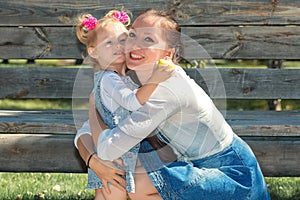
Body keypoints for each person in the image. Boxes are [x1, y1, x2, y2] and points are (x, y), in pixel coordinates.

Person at [75, 9, 271, 200]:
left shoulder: (165, 90)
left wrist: (93, 108)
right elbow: (91, 129)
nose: (134, 45)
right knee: (136, 179)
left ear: (167, 54)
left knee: (138, 182)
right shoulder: (132, 77)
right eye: (132, 35)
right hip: (190, 164)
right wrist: (92, 160)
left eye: (149, 40)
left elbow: (109, 148)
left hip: (233, 174)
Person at [75, 9, 174, 200]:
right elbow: (131, 102)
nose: (118, 46)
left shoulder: (123, 79)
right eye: (109, 42)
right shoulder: (109, 80)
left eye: (122, 40)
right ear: (93, 52)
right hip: (112, 157)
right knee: (111, 195)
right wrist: (156, 79)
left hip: (123, 153)